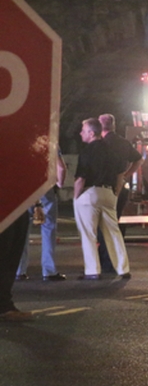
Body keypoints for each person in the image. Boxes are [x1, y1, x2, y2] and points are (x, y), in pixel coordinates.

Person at [73, 118, 131, 280]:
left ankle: (92, 271)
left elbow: (80, 178)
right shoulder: (112, 151)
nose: (81, 133)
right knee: (114, 232)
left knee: (88, 234)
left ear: (91, 133)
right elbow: (120, 175)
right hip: (109, 193)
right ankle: (123, 268)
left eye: (83, 131)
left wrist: (76, 197)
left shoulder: (87, 151)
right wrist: (115, 193)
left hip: (90, 193)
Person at [96, 113, 142, 274]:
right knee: (116, 223)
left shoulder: (100, 143)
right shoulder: (123, 143)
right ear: (114, 126)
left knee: (103, 226)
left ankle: (105, 261)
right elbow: (138, 159)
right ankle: (117, 260)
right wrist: (126, 175)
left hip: (105, 187)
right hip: (121, 187)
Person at [16, 148, 67, 281]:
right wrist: (59, 184)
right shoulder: (49, 139)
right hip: (44, 186)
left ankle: (19, 270)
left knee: (22, 231)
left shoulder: (20, 141)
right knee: (48, 228)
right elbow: (60, 167)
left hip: (22, 188)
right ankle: (48, 271)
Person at [1, 213, 34, 321]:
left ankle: (5, 304)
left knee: (13, 253)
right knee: (5, 251)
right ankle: (4, 305)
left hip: (19, 207)